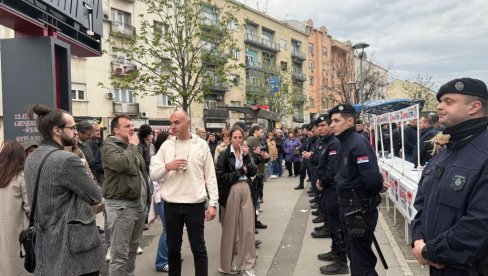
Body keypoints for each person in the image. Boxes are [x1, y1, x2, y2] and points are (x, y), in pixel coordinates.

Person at [411, 78, 488, 276]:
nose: (439, 106)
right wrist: (418, 239)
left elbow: (479, 224)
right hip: (438, 265)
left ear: (474, 107)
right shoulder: (445, 152)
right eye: (440, 101)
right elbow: (422, 204)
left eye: (448, 101)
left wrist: (430, 251)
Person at [23, 104, 103, 276]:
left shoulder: (32, 157)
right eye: (72, 128)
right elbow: (96, 195)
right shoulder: (66, 160)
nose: (76, 132)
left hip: (45, 246)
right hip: (73, 252)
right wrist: (85, 171)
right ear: (57, 130)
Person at [150, 110, 219, 276]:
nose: (172, 126)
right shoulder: (166, 146)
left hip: (195, 205)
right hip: (171, 205)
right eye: (171, 122)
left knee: (198, 249)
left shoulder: (201, 145)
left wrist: (213, 203)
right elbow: (153, 173)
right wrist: (168, 166)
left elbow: (210, 176)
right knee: (173, 250)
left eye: (177, 122)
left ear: (187, 123)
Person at [329, 104, 384, 276]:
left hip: (358, 210)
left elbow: (373, 180)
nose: (332, 125)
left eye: (336, 120)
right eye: (332, 121)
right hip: (349, 209)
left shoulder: (357, 143)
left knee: (361, 262)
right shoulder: (345, 142)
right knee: (355, 256)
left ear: (350, 121)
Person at [101, 114, 151, 275]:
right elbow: (122, 164)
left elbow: (142, 172)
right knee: (119, 255)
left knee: (132, 251)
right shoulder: (109, 146)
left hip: (138, 206)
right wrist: (133, 146)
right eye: (127, 126)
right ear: (116, 130)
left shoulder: (131, 146)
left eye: (132, 125)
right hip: (121, 207)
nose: (132, 129)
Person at [215, 127, 258, 276]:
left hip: (247, 188)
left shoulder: (246, 152)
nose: (238, 140)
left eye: (240, 137)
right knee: (230, 229)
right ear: (230, 138)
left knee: (247, 228)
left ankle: (246, 264)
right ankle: (225, 265)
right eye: (235, 137)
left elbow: (253, 171)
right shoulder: (224, 155)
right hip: (231, 190)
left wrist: (247, 158)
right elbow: (221, 177)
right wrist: (240, 171)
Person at [314, 115, 349, 275]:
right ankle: (335, 252)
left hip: (333, 190)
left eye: (323, 125)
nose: (320, 128)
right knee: (334, 225)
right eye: (318, 126)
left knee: (337, 226)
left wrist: (322, 182)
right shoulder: (326, 142)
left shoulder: (334, 143)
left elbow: (332, 170)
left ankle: (341, 261)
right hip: (328, 189)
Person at [0, 141, 30, 276]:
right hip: (17, 232)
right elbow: (30, 207)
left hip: (3, 233)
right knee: (19, 268)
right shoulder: (21, 177)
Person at [151, 131, 172, 272]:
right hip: (161, 198)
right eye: (169, 140)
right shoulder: (156, 158)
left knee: (172, 229)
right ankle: (161, 261)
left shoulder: (169, 156)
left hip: (170, 197)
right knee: (168, 229)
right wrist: (169, 168)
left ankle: (170, 256)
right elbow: (157, 178)